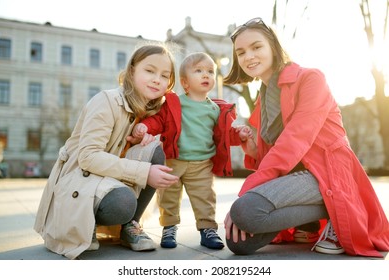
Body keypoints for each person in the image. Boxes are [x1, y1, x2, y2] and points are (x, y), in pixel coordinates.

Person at [223, 17, 389, 257]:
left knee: (245, 211)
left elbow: (295, 141)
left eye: (256, 47)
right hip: (297, 177)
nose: (248, 56)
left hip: (327, 172)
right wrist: (253, 151)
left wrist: (246, 192)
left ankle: (337, 213)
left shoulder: (310, 79)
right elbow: (276, 157)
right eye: (241, 52)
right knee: (238, 242)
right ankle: (311, 221)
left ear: (273, 47)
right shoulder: (264, 99)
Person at [33, 43, 179, 260]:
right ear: (131, 71)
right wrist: (144, 172)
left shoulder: (151, 113)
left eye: (164, 75)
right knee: (123, 202)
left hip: (106, 181)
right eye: (149, 71)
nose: (157, 79)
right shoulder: (107, 101)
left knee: (154, 151)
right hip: (79, 180)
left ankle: (130, 226)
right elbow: (88, 157)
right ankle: (81, 222)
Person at [132, 52, 253, 250]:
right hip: (174, 161)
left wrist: (238, 135)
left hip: (202, 163)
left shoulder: (215, 109)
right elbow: (158, 121)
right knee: (168, 196)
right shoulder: (174, 104)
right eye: (199, 71)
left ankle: (207, 230)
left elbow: (223, 135)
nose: (206, 75)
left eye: (210, 71)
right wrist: (145, 126)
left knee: (205, 197)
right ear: (185, 82)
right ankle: (169, 228)